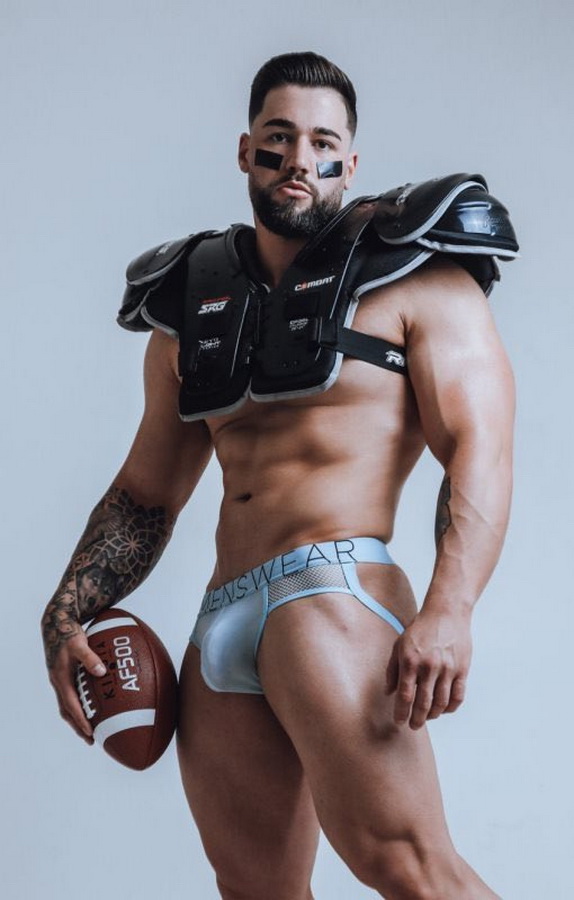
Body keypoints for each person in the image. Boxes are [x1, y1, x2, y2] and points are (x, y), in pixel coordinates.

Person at [41, 51, 517, 900]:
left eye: (323, 143)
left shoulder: (423, 284)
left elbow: (480, 448)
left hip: (330, 595)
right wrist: (67, 607)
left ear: (350, 162)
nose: (300, 158)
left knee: (409, 867)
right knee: (253, 890)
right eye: (279, 137)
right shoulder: (192, 309)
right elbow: (147, 492)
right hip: (221, 620)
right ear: (246, 150)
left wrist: (451, 609)